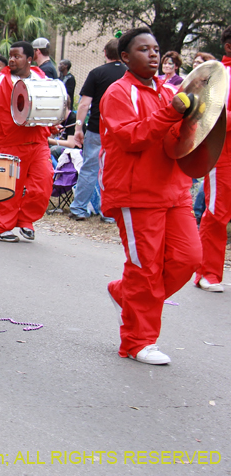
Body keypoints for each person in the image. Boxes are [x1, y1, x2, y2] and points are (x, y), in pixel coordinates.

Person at [101, 27, 200, 365]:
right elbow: (132, 137)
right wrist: (172, 113)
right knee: (145, 268)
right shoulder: (117, 92)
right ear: (125, 57)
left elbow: (180, 138)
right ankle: (137, 341)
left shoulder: (168, 91)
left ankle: (125, 293)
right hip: (136, 193)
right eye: (143, 49)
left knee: (188, 259)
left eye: (156, 48)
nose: (153, 54)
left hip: (175, 190)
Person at [0, 42, 55, 242]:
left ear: (29, 59)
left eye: (17, 56)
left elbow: (49, 106)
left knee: (43, 185)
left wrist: (53, 126)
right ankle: (1, 228)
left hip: (38, 142)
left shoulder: (41, 79)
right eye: (10, 56)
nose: (11, 60)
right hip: (8, 143)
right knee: (8, 189)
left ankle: (25, 220)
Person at [70, 39, 125, 222]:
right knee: (114, 171)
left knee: (90, 168)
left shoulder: (96, 73)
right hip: (121, 130)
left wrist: (79, 127)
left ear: (105, 53)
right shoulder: (129, 74)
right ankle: (108, 212)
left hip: (97, 127)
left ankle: (79, 207)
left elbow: (84, 104)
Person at [193, 26, 231, 293]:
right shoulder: (219, 75)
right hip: (223, 155)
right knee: (217, 215)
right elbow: (208, 116)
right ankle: (207, 272)